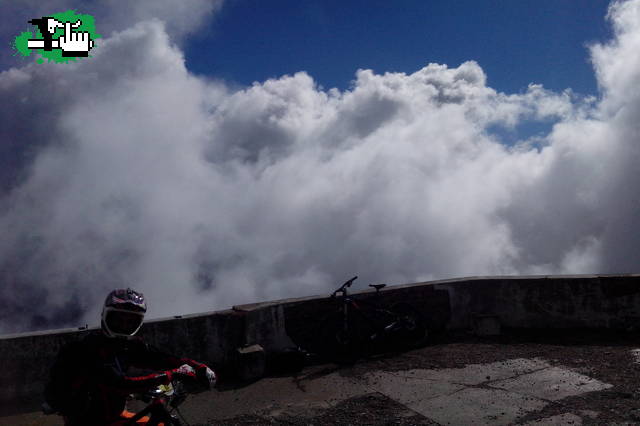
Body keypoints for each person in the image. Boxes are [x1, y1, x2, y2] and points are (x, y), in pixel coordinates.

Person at [43, 288, 217, 425]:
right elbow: (119, 384)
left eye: (130, 322)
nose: (123, 326)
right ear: (105, 316)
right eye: (118, 319)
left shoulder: (127, 346)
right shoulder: (88, 350)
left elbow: (162, 358)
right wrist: (169, 375)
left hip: (114, 416)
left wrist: (197, 366)